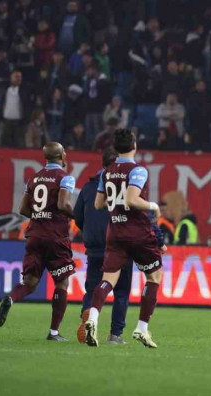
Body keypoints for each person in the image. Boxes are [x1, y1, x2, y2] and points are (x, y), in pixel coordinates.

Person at [82, 129, 167, 348]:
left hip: (115, 231)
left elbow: (98, 205)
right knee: (154, 276)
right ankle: (142, 328)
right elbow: (132, 199)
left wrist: (115, 202)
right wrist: (153, 206)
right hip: (137, 231)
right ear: (134, 146)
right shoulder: (138, 170)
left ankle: (92, 319)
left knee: (107, 280)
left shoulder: (106, 172)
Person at [0, 143, 75, 341]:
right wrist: (79, 216)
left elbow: (22, 209)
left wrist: (40, 216)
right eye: (64, 151)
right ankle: (54, 332)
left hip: (35, 235)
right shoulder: (66, 178)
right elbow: (63, 204)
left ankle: (10, 298)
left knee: (29, 283)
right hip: (56, 237)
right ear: (61, 155)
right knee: (62, 283)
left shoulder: (34, 178)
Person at [74, 148, 134, 344]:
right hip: (120, 246)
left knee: (93, 288)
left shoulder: (88, 188)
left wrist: (90, 232)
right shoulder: (128, 186)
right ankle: (114, 335)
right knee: (121, 292)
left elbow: (78, 217)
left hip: (95, 247)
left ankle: (87, 314)